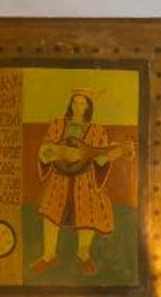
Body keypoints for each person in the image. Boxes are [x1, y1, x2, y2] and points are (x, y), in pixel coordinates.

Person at [32, 90, 129, 275]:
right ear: (70, 105)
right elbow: (45, 149)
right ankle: (48, 255)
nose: (78, 107)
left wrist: (112, 153)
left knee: (89, 212)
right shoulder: (58, 125)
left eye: (82, 104)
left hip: (85, 180)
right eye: (75, 103)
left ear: (88, 107)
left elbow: (100, 158)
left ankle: (83, 254)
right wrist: (60, 153)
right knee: (51, 212)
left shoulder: (97, 130)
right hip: (60, 179)